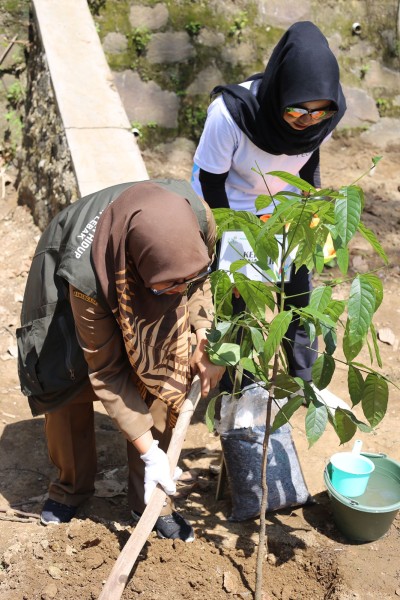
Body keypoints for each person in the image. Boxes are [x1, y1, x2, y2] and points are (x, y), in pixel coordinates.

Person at [17, 179, 225, 541]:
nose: (179, 291)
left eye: (182, 281)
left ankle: (149, 503)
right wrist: (151, 454)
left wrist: (206, 335)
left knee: (162, 374)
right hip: (72, 278)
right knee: (67, 382)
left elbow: (199, 284)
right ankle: (72, 488)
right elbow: (107, 371)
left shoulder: (199, 218)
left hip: (148, 271)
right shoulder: (84, 278)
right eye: (168, 286)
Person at [191, 21, 347, 402]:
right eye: (297, 112)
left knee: (299, 294)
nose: (306, 122)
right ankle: (236, 390)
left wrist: (312, 212)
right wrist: (236, 245)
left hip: (284, 205)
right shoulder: (229, 115)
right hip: (230, 205)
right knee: (239, 301)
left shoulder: (325, 114)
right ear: (281, 91)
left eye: (318, 114)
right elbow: (211, 183)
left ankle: (303, 383)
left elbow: (308, 163)